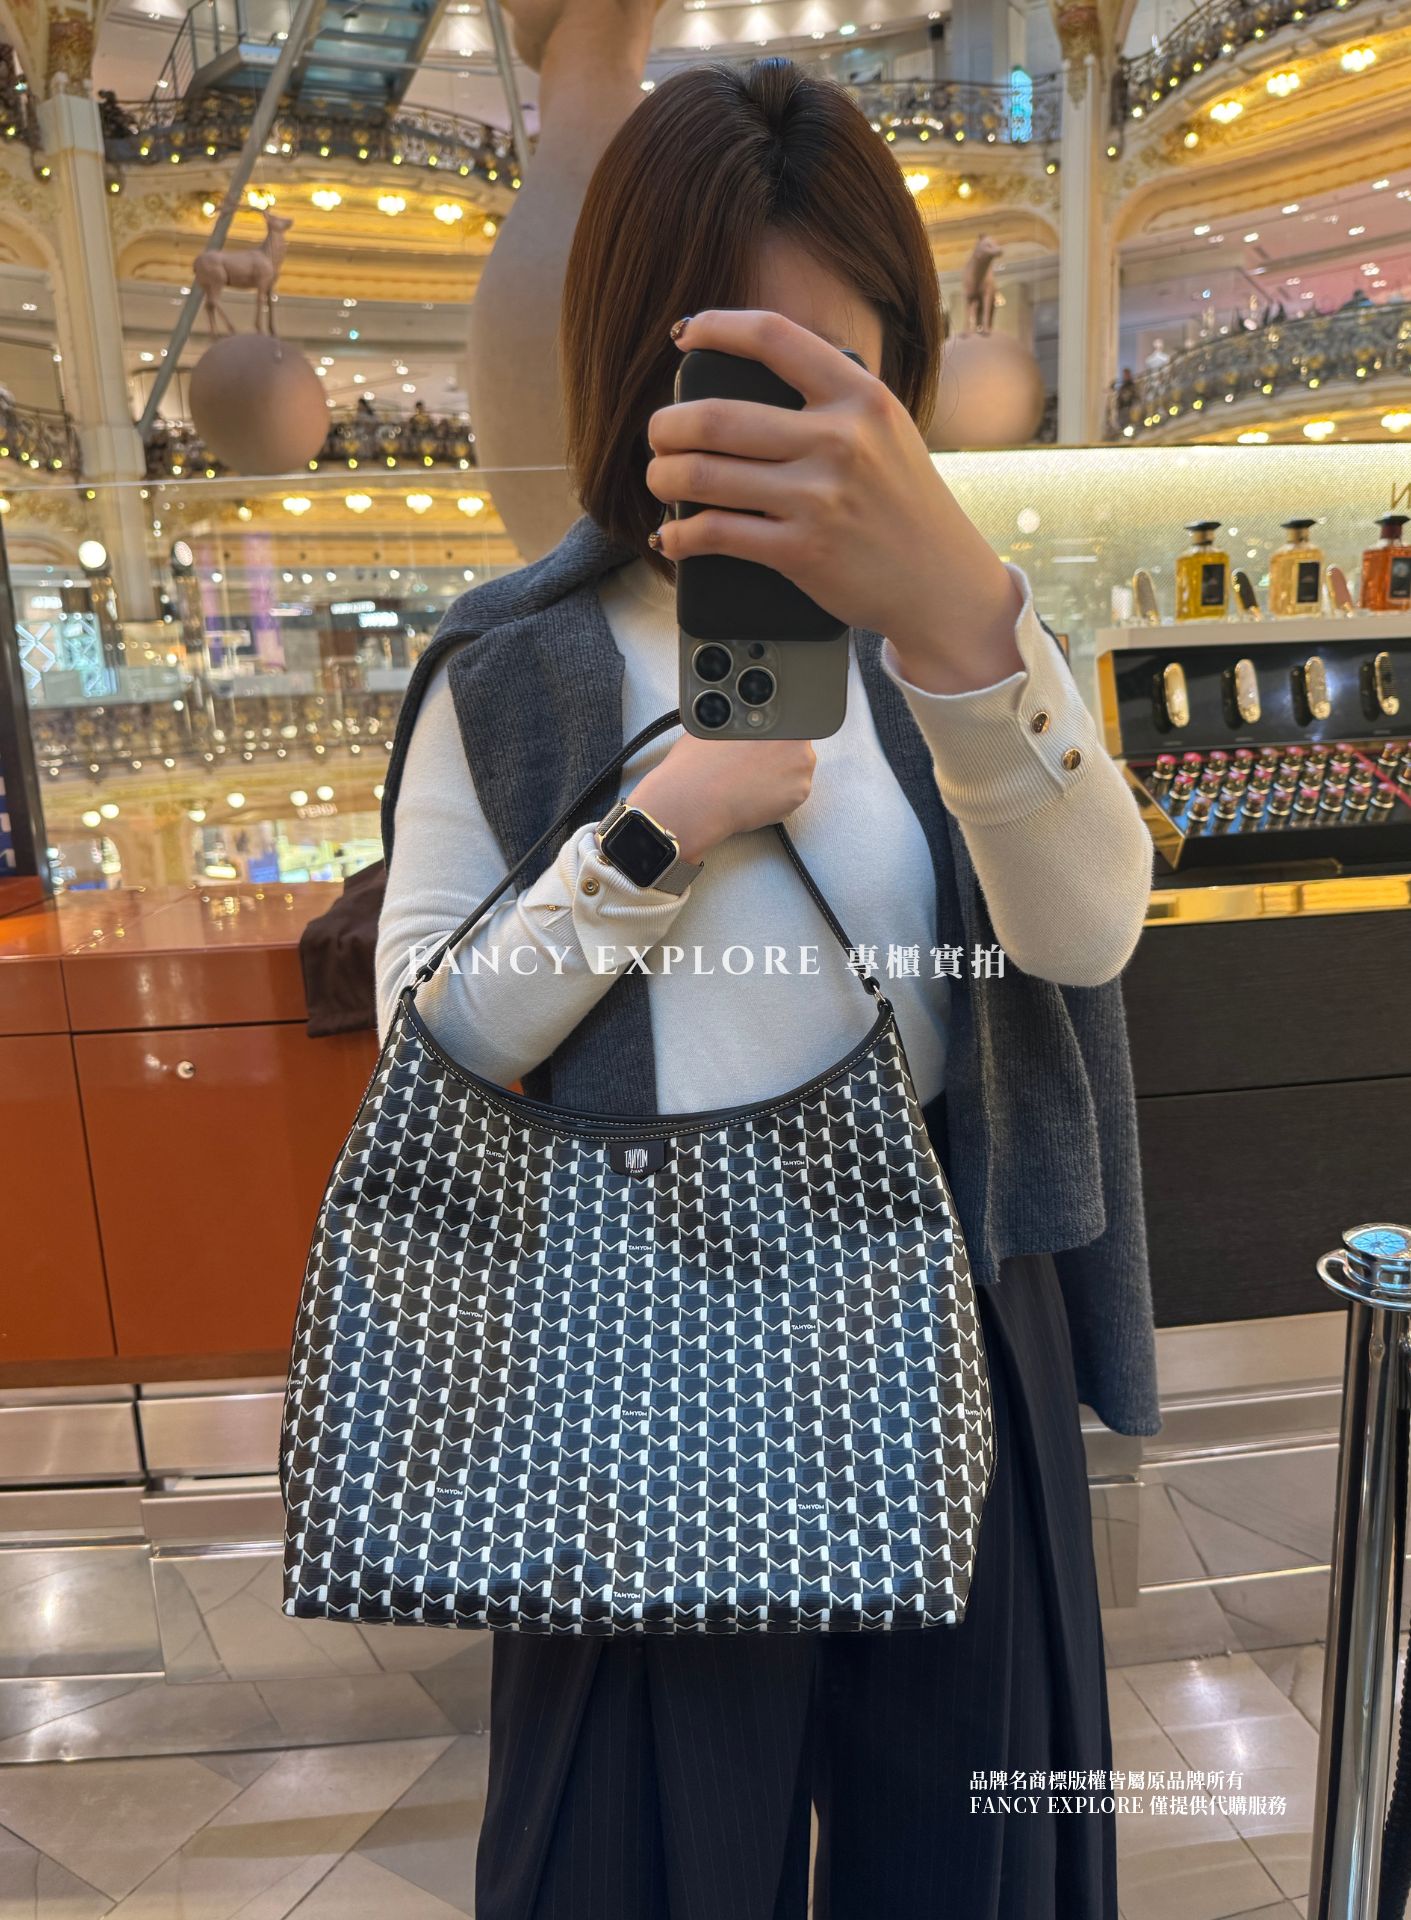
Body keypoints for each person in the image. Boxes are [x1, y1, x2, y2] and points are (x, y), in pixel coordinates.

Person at [376, 48, 1157, 1920]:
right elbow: (431, 1044)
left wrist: (960, 629)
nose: (791, 432)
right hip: (640, 1360)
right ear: (634, 367)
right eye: (737, 375)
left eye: (842, 377)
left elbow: (1084, 938)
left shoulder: (963, 633)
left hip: (942, 1328)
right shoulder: (515, 665)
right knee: (641, 1868)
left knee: (972, 1871)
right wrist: (652, 835)